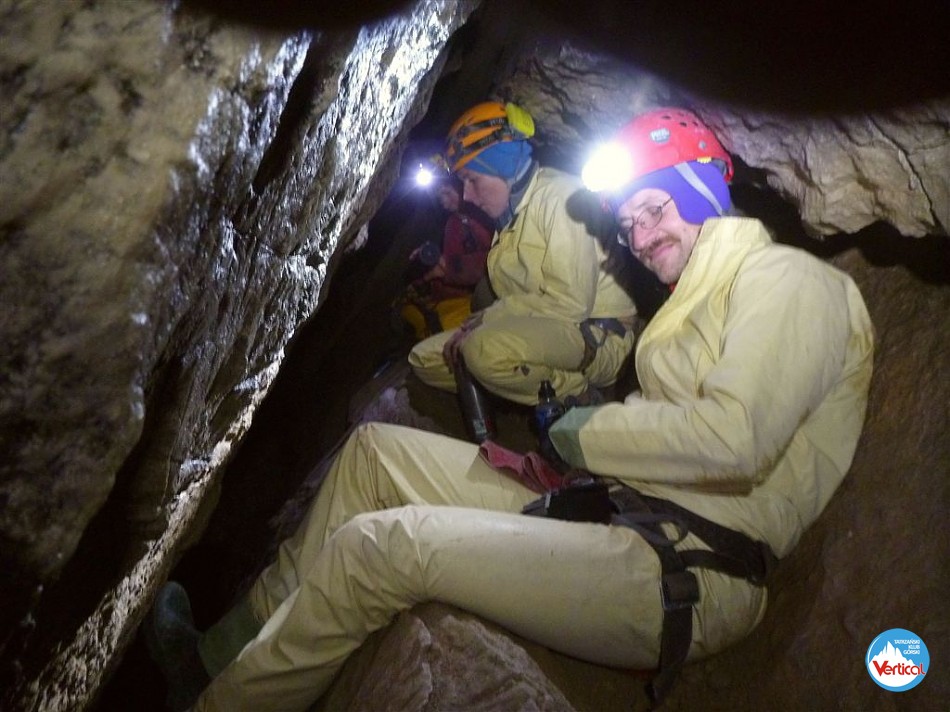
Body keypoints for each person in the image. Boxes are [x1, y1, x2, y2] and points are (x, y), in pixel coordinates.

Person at [146, 107, 874, 711]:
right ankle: (222, 651)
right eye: (629, 224)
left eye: (654, 209)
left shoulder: (789, 280)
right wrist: (576, 462)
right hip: (623, 511)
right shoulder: (695, 300)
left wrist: (584, 434)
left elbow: (735, 438)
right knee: (373, 456)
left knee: (385, 548)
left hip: (685, 569)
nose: (641, 235)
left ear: (699, 187)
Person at [408, 101, 639, 408]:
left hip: (595, 334)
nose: (467, 196)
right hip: (546, 329)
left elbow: (571, 303)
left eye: (472, 180)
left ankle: (576, 394)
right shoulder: (508, 221)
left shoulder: (561, 198)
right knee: (424, 358)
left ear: (501, 167)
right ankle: (517, 381)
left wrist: (489, 319)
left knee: (480, 350)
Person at [395, 163, 494, 340]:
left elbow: (494, 260)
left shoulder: (488, 207)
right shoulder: (454, 225)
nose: (445, 202)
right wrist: (427, 281)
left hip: (496, 283)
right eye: (440, 199)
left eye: (447, 193)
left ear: (461, 183)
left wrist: (447, 268)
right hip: (473, 289)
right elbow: (452, 268)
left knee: (483, 296)